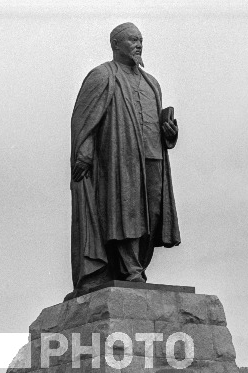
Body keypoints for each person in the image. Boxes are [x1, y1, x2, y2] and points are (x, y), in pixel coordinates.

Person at [70, 22, 180, 295]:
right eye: (132, 40)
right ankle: (131, 270)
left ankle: (136, 266)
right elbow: (83, 119)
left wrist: (170, 134)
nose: (138, 45)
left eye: (140, 40)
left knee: (152, 214)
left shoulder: (152, 83)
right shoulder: (102, 75)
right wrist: (84, 151)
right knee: (126, 212)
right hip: (121, 158)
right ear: (116, 45)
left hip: (153, 157)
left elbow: (157, 123)